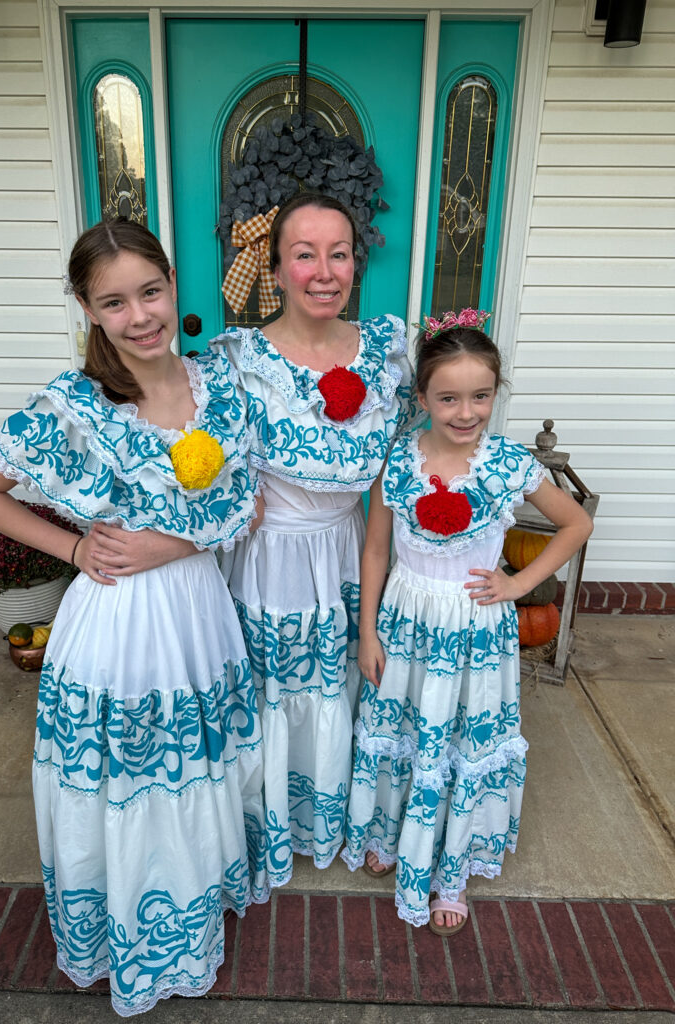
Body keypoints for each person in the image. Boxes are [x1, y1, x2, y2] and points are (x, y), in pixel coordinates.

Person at [0, 218, 269, 1016]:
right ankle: (129, 936)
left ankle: (190, 912)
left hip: (199, 615)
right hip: (121, 622)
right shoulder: (76, 403)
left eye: (151, 292)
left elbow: (245, 499)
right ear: (90, 310)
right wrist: (71, 551)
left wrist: (175, 542)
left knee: (192, 768)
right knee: (133, 781)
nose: (140, 316)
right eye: (115, 301)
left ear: (172, 285)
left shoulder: (217, 387)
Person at [341, 310, 593, 935]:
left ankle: (449, 872)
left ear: (496, 393)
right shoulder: (395, 461)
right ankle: (390, 834)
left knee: (455, 740)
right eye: (448, 397)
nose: (465, 411)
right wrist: (368, 631)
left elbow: (576, 524)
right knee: (401, 726)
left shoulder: (510, 465)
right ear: (422, 396)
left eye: (480, 395)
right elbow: (376, 548)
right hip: (405, 619)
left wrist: (517, 584)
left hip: (474, 629)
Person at [211, 193, 416, 887]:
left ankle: (325, 816)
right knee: (272, 690)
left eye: (339, 253)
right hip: (267, 559)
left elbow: (411, 461)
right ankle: (266, 822)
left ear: (357, 264)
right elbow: (194, 461)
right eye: (305, 255)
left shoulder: (390, 353)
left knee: (336, 687)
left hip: (346, 547)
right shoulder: (236, 361)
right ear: (275, 269)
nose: (324, 271)